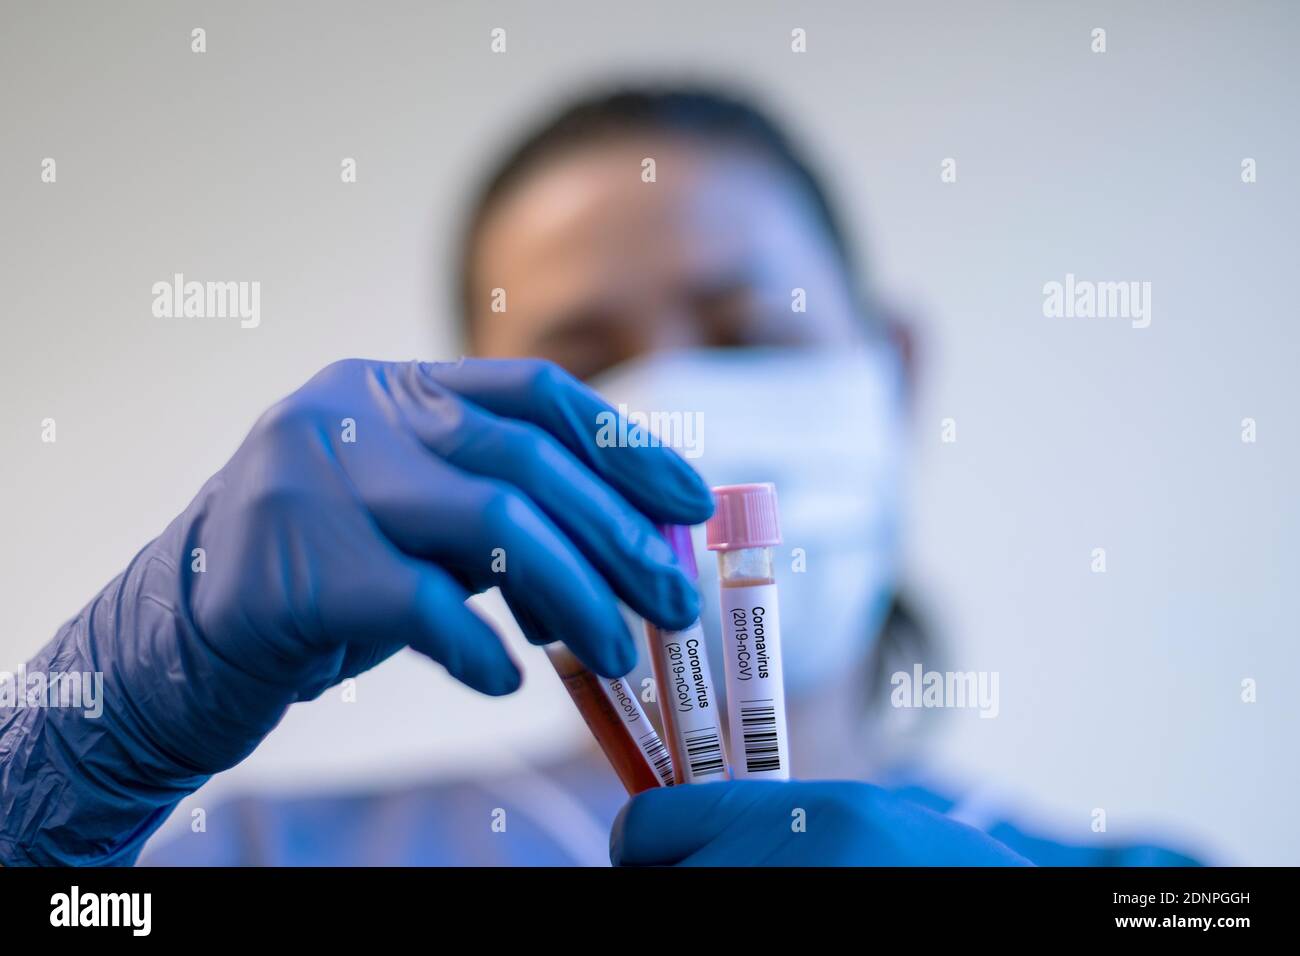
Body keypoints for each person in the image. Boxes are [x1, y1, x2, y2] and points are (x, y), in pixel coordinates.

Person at [0, 87, 1199, 867]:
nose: (675, 404)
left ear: (890, 371)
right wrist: (122, 697)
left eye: (742, 335)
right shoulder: (261, 852)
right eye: (586, 362)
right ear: (468, 434)